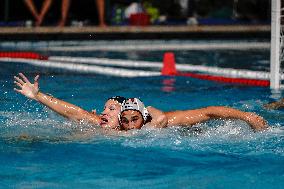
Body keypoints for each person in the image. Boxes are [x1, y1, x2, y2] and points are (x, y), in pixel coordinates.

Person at [14, 73, 124, 130]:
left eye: (111, 109)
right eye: (104, 108)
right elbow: (75, 112)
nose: (104, 112)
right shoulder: (97, 122)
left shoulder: (130, 132)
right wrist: (38, 95)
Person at [119, 98, 268, 132]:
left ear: (144, 118)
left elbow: (208, 112)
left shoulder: (169, 120)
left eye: (135, 119)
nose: (131, 126)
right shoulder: (118, 130)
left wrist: (246, 116)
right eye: (125, 121)